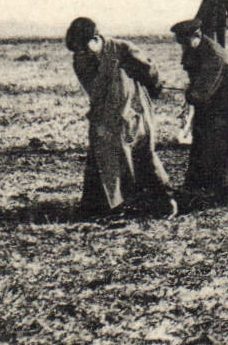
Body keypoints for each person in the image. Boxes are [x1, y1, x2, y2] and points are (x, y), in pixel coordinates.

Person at [64, 17, 176, 219]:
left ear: (96, 38)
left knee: (141, 154)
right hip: (106, 113)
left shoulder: (123, 49)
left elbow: (150, 73)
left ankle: (161, 202)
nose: (82, 54)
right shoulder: (80, 59)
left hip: (134, 110)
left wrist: (152, 84)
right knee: (103, 156)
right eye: (78, 51)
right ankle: (105, 206)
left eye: (85, 48)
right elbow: (94, 90)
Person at [172, 17, 228, 207]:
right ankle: (203, 186)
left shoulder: (213, 55)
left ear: (196, 36)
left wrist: (189, 94)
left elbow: (201, 92)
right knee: (207, 144)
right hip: (216, 104)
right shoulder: (198, 48)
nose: (182, 47)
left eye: (184, 42)